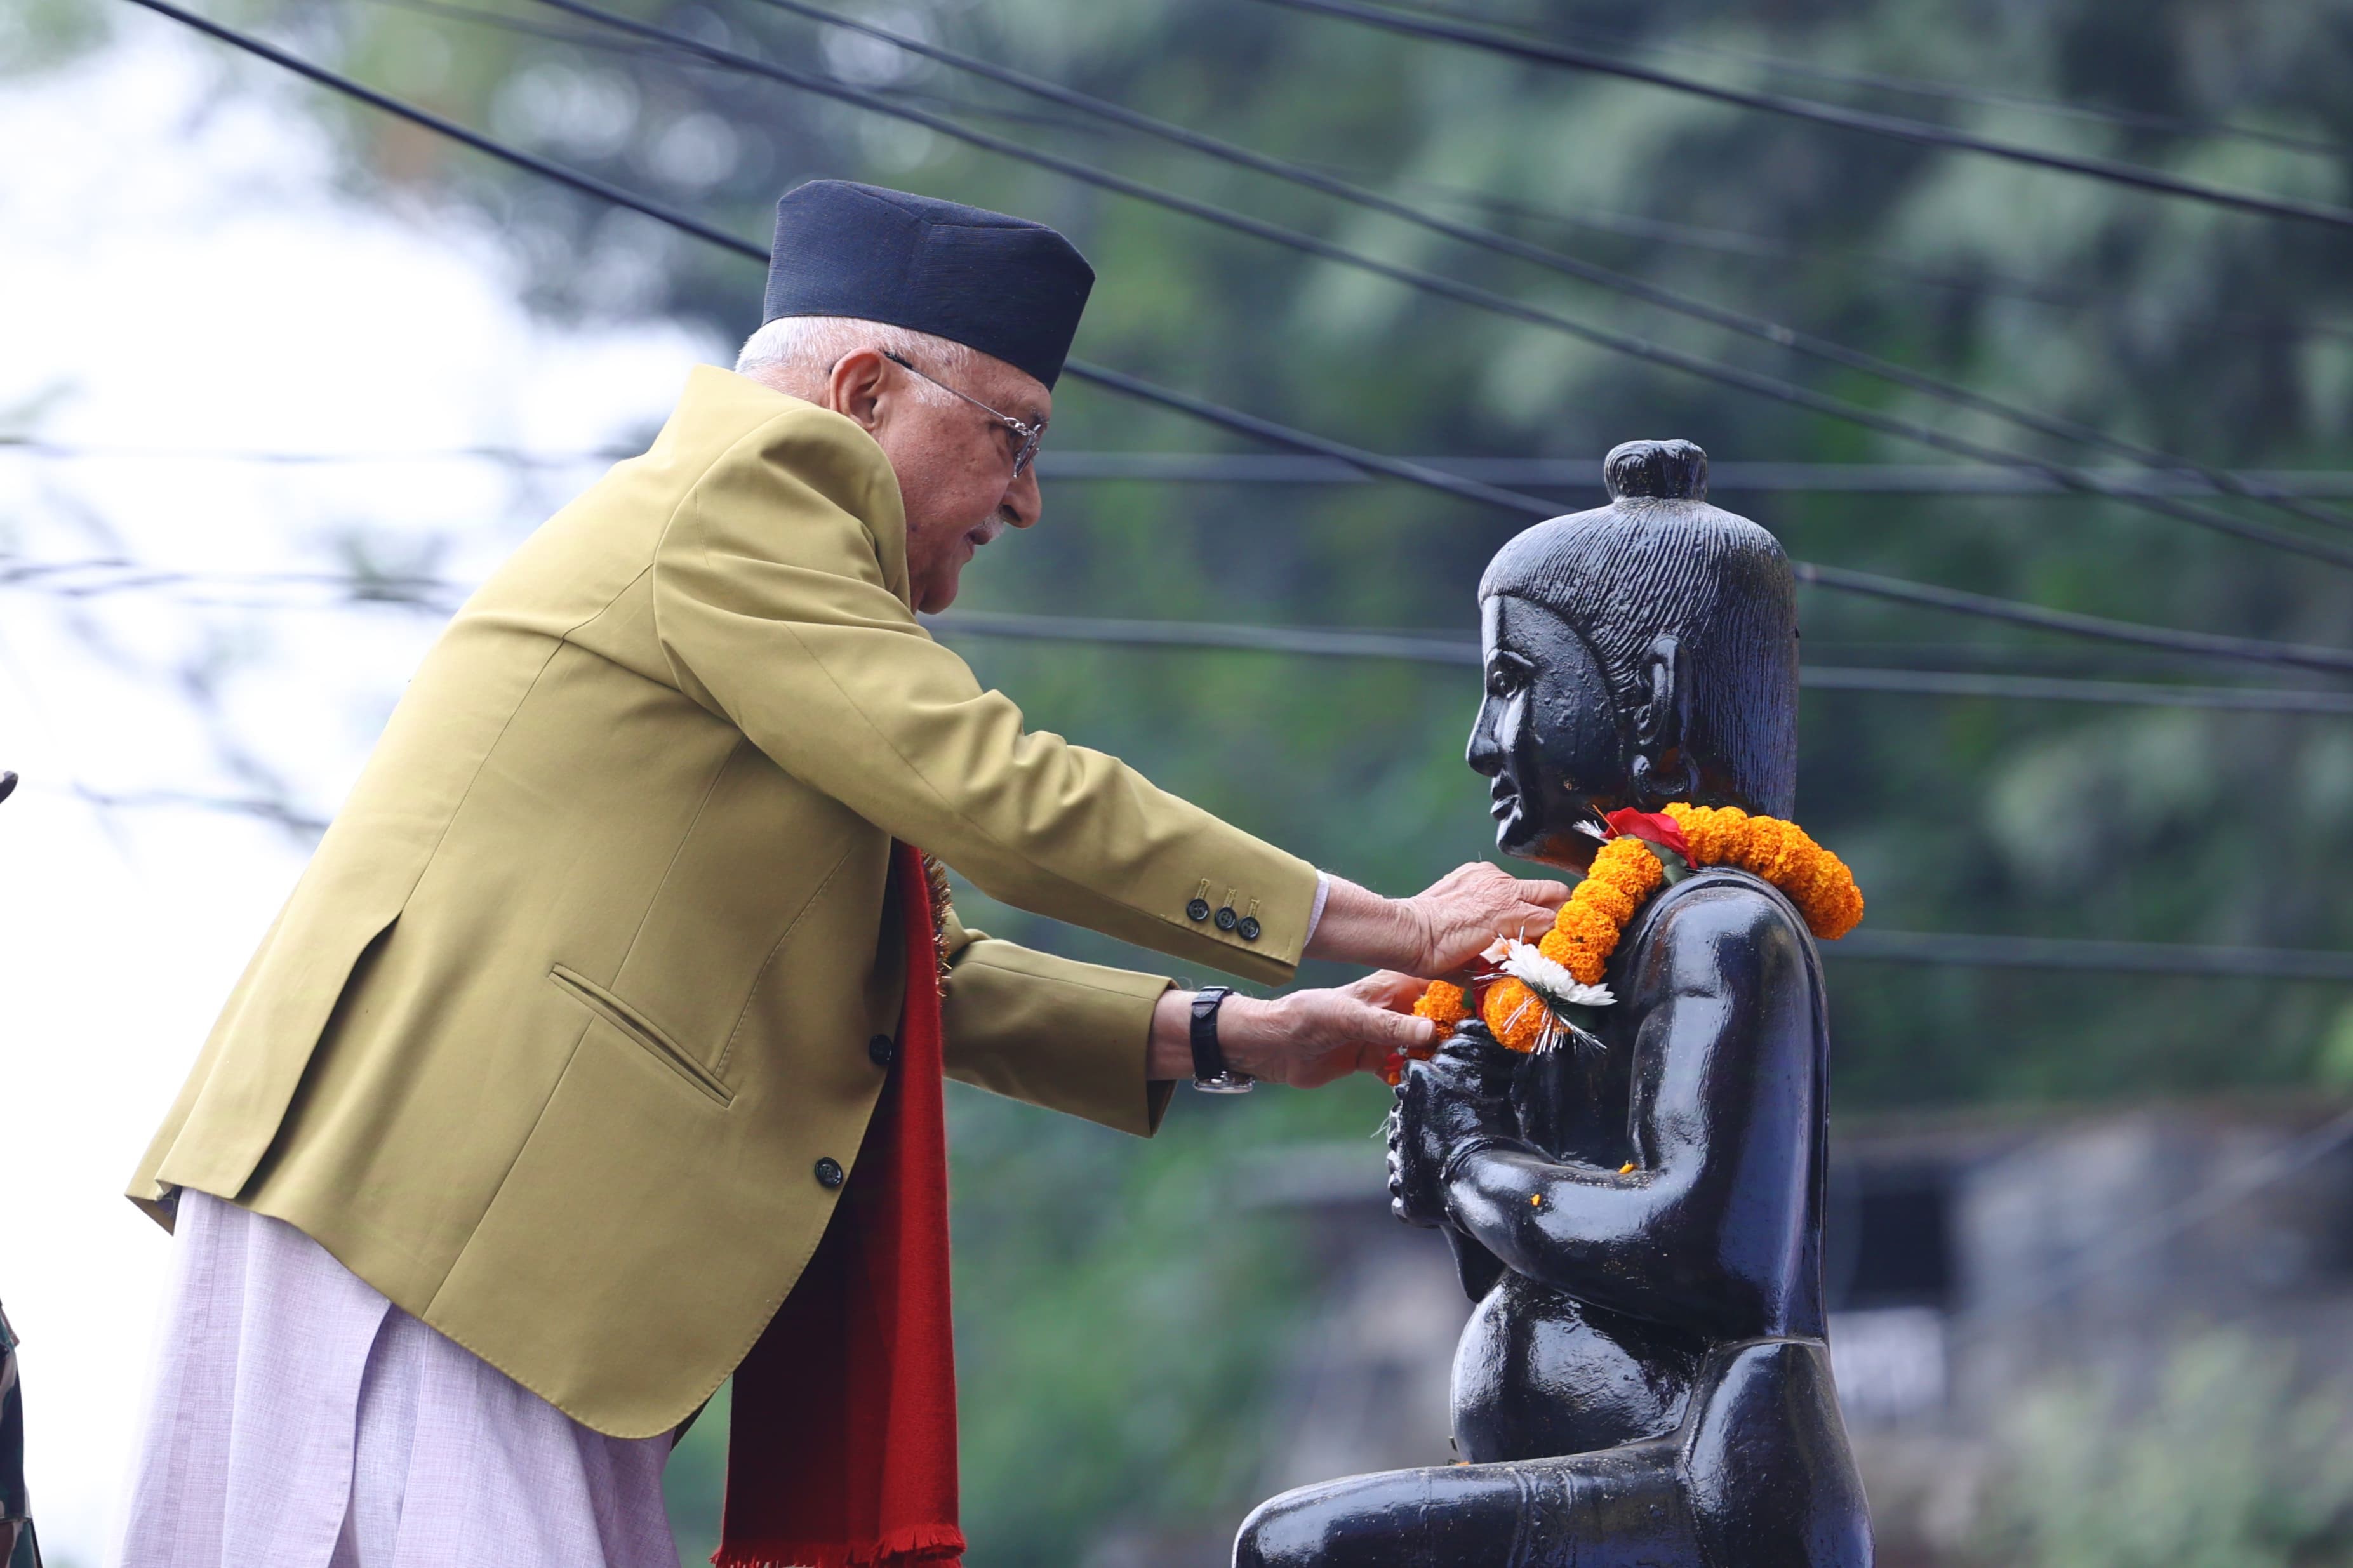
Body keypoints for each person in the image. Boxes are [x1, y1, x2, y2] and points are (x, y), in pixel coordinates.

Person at [112, 180, 1566, 1567]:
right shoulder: (753, 488)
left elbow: (913, 976)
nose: (1030, 499)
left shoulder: (782, 584)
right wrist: (1395, 922)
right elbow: (997, 791)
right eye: (1012, 434)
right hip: (425, 1217)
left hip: (474, 1237)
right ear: (864, 393)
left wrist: (1224, 1030)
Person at [1234, 441, 1871, 1567]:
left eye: (1512, 686)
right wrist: (1459, 1141)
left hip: (1705, 1473)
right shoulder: (1597, 950)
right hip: (1597, 1466)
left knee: (1301, 1551)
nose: (1482, 740)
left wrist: (1477, 1160)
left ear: (1653, 693)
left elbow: (1702, 1253)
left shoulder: (1718, 927)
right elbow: (1537, 1269)